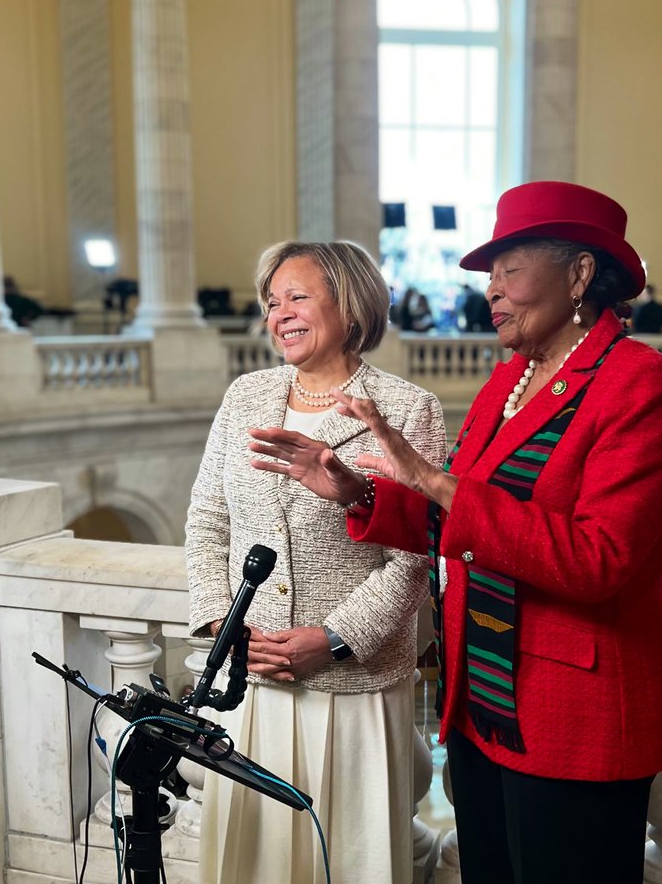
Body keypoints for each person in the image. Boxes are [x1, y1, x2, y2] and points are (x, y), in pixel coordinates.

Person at [250, 182, 662, 883]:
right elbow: (452, 520)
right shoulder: (507, 380)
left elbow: (600, 561)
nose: (492, 290)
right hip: (485, 704)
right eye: (490, 276)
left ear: (579, 273)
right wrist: (359, 492)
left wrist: (430, 478)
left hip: (575, 720)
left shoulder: (637, 382)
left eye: (511, 270)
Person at [185, 240, 447, 884]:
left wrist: (331, 641)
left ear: (350, 303)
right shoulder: (245, 396)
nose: (280, 314)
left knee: (347, 859)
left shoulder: (407, 409)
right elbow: (207, 522)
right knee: (259, 861)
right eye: (272, 303)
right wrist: (227, 629)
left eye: (297, 296)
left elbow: (412, 556)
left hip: (353, 687)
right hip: (253, 681)